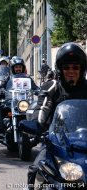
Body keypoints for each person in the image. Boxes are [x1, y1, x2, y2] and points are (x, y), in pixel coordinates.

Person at [27, 42, 87, 189]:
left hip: (84, 141)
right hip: (57, 142)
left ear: (82, 69)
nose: (71, 71)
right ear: (60, 69)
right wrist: (36, 125)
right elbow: (42, 108)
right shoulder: (53, 87)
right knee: (36, 169)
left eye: (75, 67)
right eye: (66, 68)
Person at [0, 57, 39, 136]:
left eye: (20, 67)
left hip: (25, 102)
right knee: (0, 107)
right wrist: (1, 89)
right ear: (13, 68)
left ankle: (38, 129)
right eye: (16, 67)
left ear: (22, 68)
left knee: (37, 109)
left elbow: (35, 87)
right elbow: (2, 85)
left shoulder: (28, 78)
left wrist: (39, 91)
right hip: (12, 101)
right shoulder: (9, 77)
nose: (18, 69)